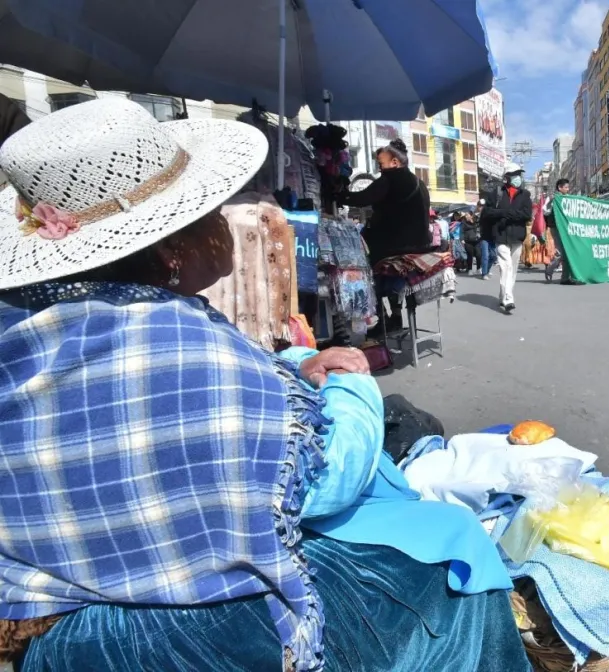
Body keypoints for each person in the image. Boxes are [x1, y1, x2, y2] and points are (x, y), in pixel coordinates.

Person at [0, 99, 528, 672]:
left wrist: (297, 364)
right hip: (199, 636)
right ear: (173, 246)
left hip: (54, 639)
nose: (231, 221)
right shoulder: (175, 342)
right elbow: (326, 479)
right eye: (216, 208)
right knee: (453, 550)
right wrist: (352, 386)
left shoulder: (32, 329)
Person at [338, 139, 432, 332]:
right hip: (420, 244)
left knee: (362, 268)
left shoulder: (391, 178)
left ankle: (381, 316)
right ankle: (396, 315)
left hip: (398, 246)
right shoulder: (419, 182)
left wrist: (337, 195)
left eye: (381, 164)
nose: (380, 169)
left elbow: (362, 198)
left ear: (395, 162)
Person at [481, 163, 532, 313]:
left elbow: (526, 214)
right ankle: (508, 299)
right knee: (505, 266)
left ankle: (503, 294)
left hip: (517, 237)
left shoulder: (525, 194)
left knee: (513, 270)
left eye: (519, 174)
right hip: (501, 236)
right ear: (507, 177)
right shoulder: (496, 193)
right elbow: (487, 213)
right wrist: (503, 213)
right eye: (515, 174)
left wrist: (507, 214)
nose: (518, 178)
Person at [544, 178, 576, 284]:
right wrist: (551, 201)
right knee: (561, 252)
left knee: (568, 252)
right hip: (556, 228)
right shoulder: (553, 198)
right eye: (566, 187)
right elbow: (545, 211)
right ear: (559, 187)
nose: (568, 189)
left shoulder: (568, 198)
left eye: (568, 187)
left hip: (567, 228)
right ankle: (550, 268)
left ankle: (565, 278)